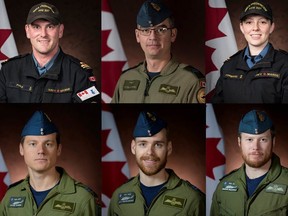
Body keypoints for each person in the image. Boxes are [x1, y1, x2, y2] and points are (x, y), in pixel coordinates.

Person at [0, 111, 101, 215]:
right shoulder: (11, 196)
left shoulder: (83, 199)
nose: (41, 151)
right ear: (21, 149)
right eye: (33, 144)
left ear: (58, 149)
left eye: (48, 144)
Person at [108, 111, 205, 215]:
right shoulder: (119, 196)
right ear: (133, 147)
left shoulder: (193, 199)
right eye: (143, 144)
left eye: (158, 145)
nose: (150, 152)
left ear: (169, 148)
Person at [0, 2, 100, 103]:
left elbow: (82, 117)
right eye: (36, 27)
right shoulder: (8, 70)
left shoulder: (80, 74)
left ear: (60, 31)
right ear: (27, 31)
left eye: (50, 27)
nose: (43, 34)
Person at [111, 0, 205, 103]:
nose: (153, 37)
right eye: (146, 30)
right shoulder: (125, 78)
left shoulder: (190, 81)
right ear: (138, 36)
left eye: (161, 30)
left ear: (173, 34)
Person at [210, 110, 288, 215]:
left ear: (273, 142)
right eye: (249, 139)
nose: (255, 147)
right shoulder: (223, 187)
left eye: (263, 140)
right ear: (239, 142)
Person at [211, 0, 288, 103]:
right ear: (242, 27)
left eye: (262, 22)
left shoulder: (285, 65)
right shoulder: (228, 66)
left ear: (271, 27)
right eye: (249, 22)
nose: (255, 28)